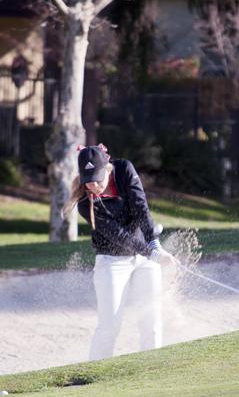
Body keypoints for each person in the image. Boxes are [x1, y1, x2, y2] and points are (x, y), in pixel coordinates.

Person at [63, 144, 175, 361]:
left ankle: (152, 368)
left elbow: (141, 207)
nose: (93, 185)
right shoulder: (86, 203)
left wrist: (154, 243)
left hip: (144, 254)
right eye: (88, 179)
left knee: (151, 318)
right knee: (110, 324)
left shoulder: (124, 170)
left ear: (108, 168)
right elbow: (119, 236)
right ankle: (96, 373)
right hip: (111, 261)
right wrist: (151, 252)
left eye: (97, 177)